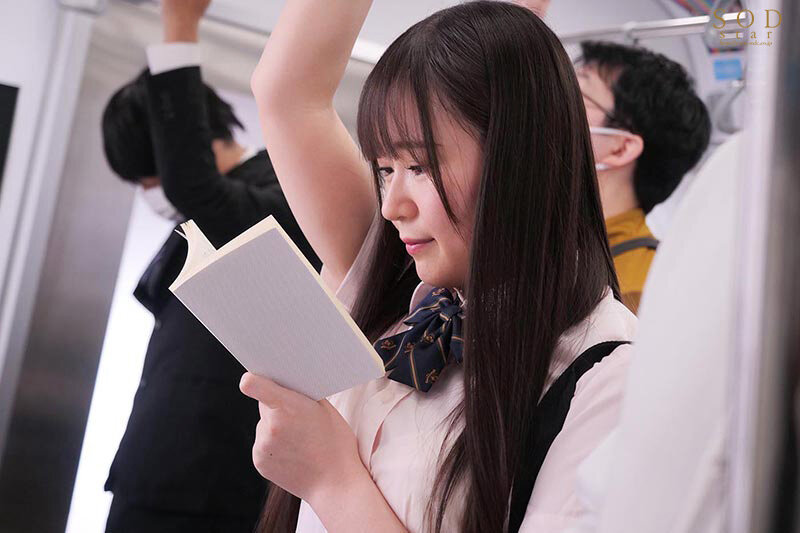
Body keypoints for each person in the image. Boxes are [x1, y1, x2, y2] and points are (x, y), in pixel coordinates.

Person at [239, 1, 636, 532]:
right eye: (385, 169)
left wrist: (331, 481)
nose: (391, 206)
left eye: (420, 166)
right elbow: (285, 91)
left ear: (519, 157)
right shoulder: (398, 281)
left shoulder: (607, 378)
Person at [100, 1, 320, 531]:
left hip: (213, 488)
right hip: (154, 476)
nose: (152, 194)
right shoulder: (212, 211)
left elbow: (192, 186)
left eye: (148, 181)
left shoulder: (281, 194)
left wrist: (179, 27)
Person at [575, 41, 711, 313]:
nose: (548, 105)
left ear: (621, 147)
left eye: (575, 94)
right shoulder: (559, 249)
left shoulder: (640, 290)